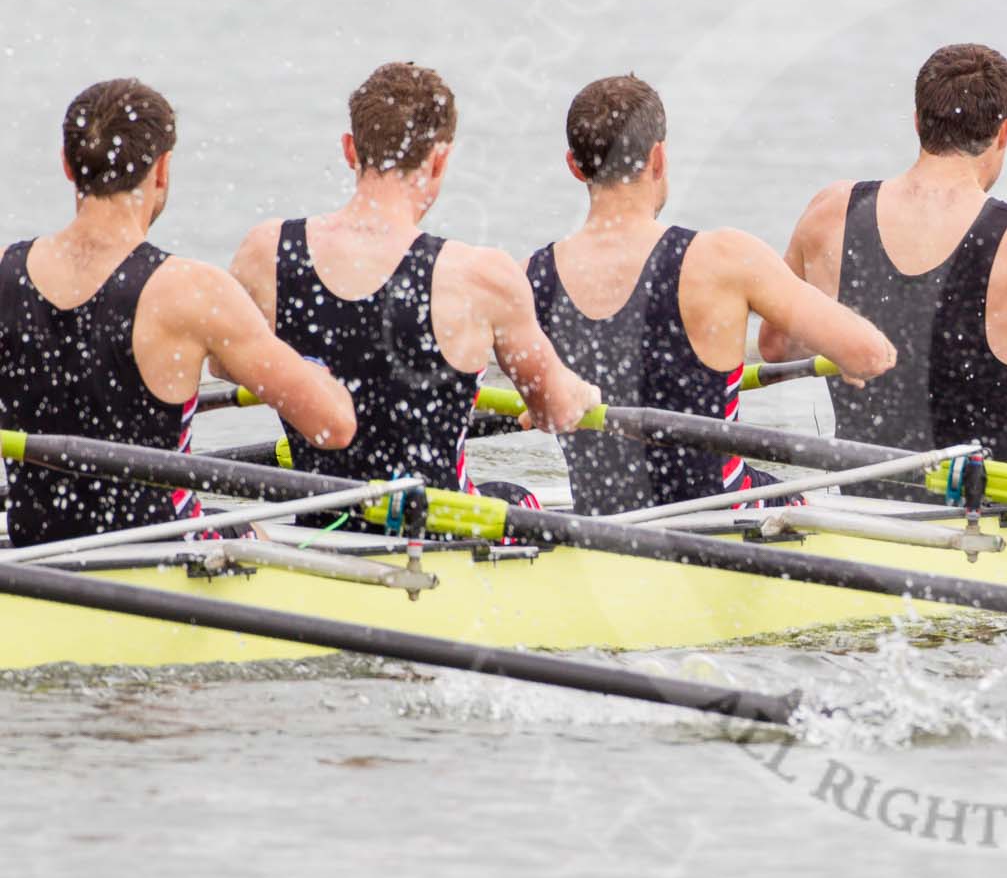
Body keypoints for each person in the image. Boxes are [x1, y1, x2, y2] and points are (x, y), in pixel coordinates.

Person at [229, 62, 598, 513]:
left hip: (311, 524)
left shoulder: (265, 252)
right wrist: (582, 393)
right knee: (515, 497)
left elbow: (228, 366)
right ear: (440, 159)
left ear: (350, 149)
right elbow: (553, 412)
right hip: (436, 538)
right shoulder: (480, 277)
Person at [0, 80, 356, 547]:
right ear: (162, 170)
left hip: (36, 549)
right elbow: (333, 426)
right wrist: (317, 373)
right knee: (249, 531)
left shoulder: (5, 271)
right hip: (161, 555)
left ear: (67, 165)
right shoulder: (190, 291)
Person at [526, 75, 897, 516]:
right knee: (790, 495)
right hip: (718, 519)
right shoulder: (722, 258)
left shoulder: (532, 277)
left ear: (574, 165)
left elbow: (537, 410)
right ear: (658, 158)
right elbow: (871, 356)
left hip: (602, 516)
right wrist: (853, 350)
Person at [759, 43, 1007, 469]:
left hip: (866, 487)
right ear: (1005, 131)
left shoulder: (830, 211)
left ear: (917, 122)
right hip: (990, 499)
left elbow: (776, 347)